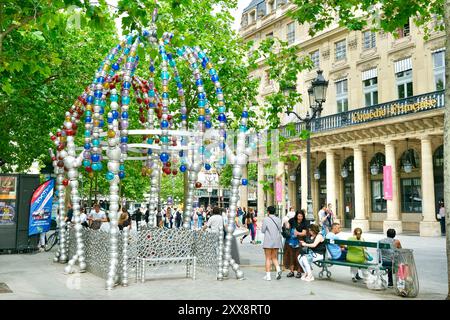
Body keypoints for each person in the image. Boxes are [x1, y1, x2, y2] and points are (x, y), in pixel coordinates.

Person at [261, 206, 283, 281]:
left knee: (267, 258)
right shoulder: (278, 219)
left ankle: (268, 276)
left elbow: (263, 230)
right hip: (276, 240)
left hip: (268, 240)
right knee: (274, 257)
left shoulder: (266, 219)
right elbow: (280, 229)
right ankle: (278, 269)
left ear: (268, 212)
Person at [284, 210, 308, 278]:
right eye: (298, 216)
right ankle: (291, 271)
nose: (300, 217)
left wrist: (298, 233)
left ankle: (299, 272)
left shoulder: (304, 222)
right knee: (291, 256)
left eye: (301, 216)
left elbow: (304, 233)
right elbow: (287, 226)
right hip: (290, 241)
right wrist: (286, 225)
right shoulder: (292, 220)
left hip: (299, 241)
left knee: (298, 257)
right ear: (296, 216)